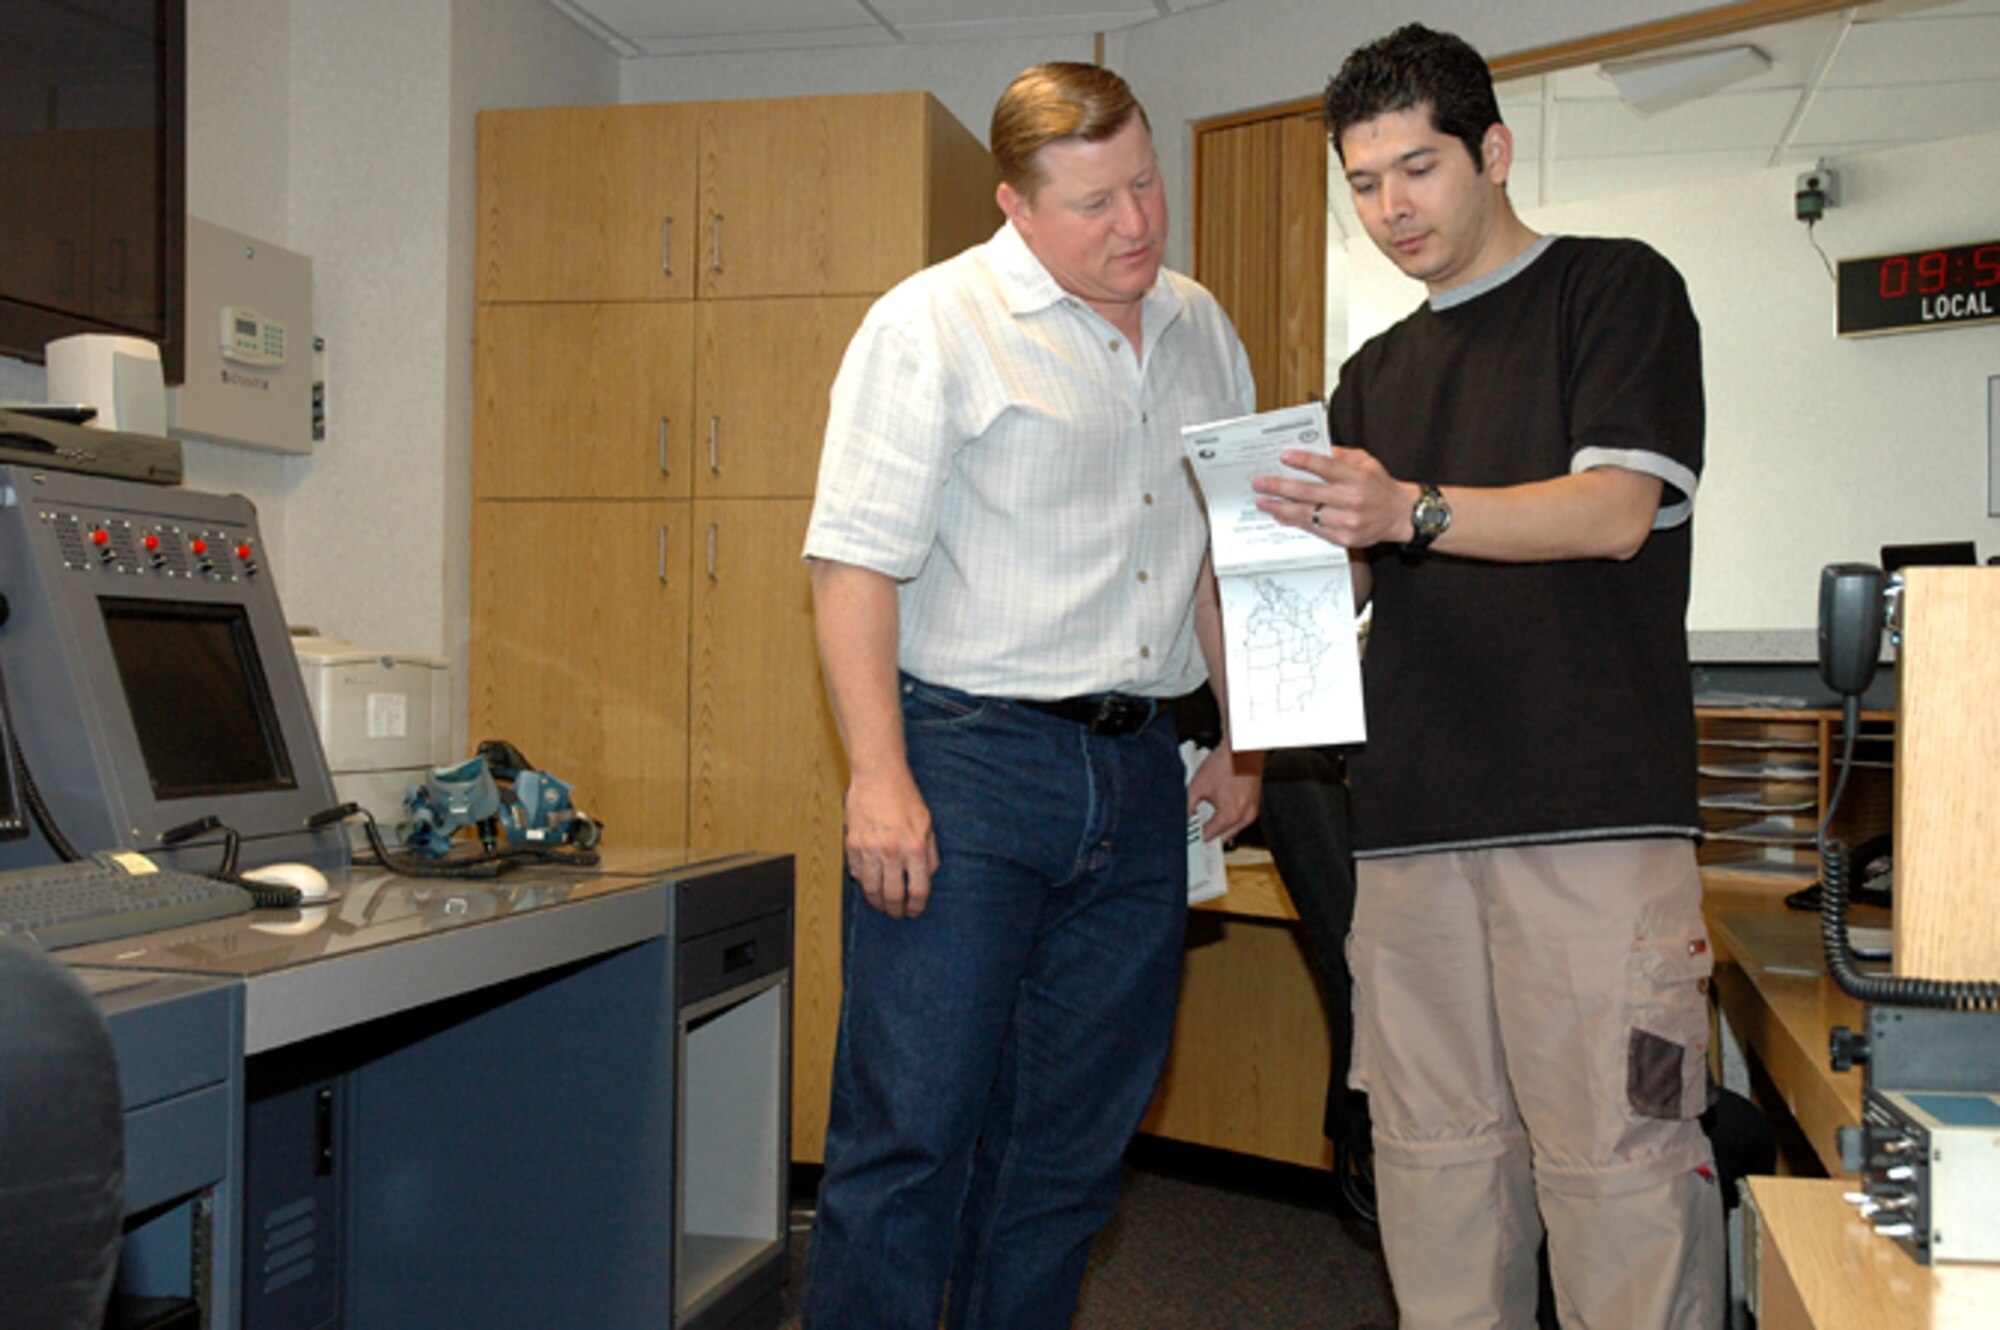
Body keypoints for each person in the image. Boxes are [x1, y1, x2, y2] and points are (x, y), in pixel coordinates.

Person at [1251, 24, 1724, 1330]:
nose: (1391, 206)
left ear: (1492, 152)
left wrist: (1406, 507)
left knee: (1621, 1175)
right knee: (1435, 1177)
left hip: (1592, 823)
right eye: (1363, 181)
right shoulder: (1371, 374)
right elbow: (1344, 580)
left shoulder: (1614, 290)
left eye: (1419, 167)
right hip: (1408, 837)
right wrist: (1251, 575)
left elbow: (1616, 509)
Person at [799, 61, 1261, 1330]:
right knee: (911, 1138)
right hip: (966, 762)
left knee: (1066, 1156)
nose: (1135, 225)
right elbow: (852, 565)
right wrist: (877, 774)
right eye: (1093, 203)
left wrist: (1243, 735)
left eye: (1145, 184)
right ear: (1013, 204)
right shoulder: (929, 324)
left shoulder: (1197, 326)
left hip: (1137, 773)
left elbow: (1216, 553)